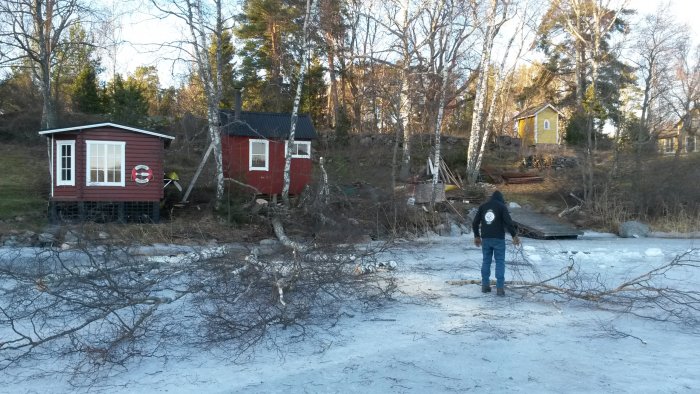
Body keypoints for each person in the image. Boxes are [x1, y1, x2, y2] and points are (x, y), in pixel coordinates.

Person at [472, 190, 520, 296]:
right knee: (500, 262)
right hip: (499, 239)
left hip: (486, 239)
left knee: (486, 261)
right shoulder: (502, 207)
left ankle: (485, 286)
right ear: (501, 198)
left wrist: (476, 236)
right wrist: (514, 235)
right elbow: (508, 222)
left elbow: (475, 222)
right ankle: (499, 288)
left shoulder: (483, 206)